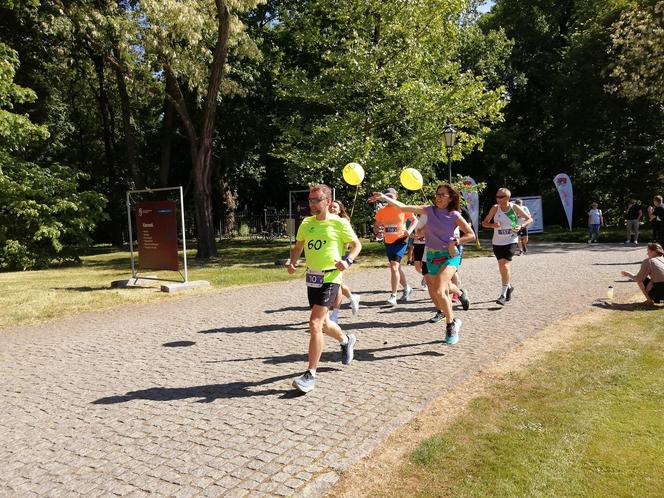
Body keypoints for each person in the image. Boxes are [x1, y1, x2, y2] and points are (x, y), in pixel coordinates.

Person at [370, 184, 475, 345]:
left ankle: (450, 324)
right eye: (437, 194)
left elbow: (471, 234)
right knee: (439, 290)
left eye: (443, 195)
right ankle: (456, 311)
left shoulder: (454, 215)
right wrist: (384, 198)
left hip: (450, 256)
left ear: (451, 198)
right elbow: (403, 208)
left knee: (440, 290)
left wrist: (457, 241)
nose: (439, 197)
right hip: (432, 255)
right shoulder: (429, 210)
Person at [287, 184, 362, 393]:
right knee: (325, 324)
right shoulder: (306, 223)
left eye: (317, 200)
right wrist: (292, 262)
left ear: (328, 201)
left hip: (331, 276)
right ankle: (346, 340)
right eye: (310, 200)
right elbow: (298, 246)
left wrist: (347, 261)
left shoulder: (339, 223)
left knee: (314, 323)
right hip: (313, 277)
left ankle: (310, 375)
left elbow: (357, 245)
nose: (312, 204)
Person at [481, 188, 533, 306]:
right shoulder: (495, 208)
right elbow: (484, 223)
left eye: (500, 197)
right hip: (497, 242)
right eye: (497, 196)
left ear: (507, 198)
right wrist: (492, 225)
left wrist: (521, 226)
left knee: (505, 264)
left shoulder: (514, 207)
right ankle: (508, 286)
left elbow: (529, 218)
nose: (497, 199)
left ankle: (503, 294)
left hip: (511, 240)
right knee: (501, 266)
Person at [373, 187, 417, 306]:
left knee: (394, 267)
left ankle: (393, 296)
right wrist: (378, 233)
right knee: (396, 268)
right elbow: (376, 224)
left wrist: (409, 230)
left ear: (396, 196)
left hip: (401, 240)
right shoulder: (382, 210)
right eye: (387, 196)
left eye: (391, 196)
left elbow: (414, 220)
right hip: (388, 241)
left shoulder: (402, 207)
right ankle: (407, 288)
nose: (389, 198)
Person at [328, 199, 361, 321]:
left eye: (335, 207)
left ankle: (335, 315)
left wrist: (346, 246)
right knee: (339, 285)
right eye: (330, 207)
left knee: (337, 286)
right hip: (326, 259)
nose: (332, 209)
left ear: (340, 210)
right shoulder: (324, 221)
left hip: (339, 259)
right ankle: (353, 298)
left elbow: (353, 243)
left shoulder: (343, 222)